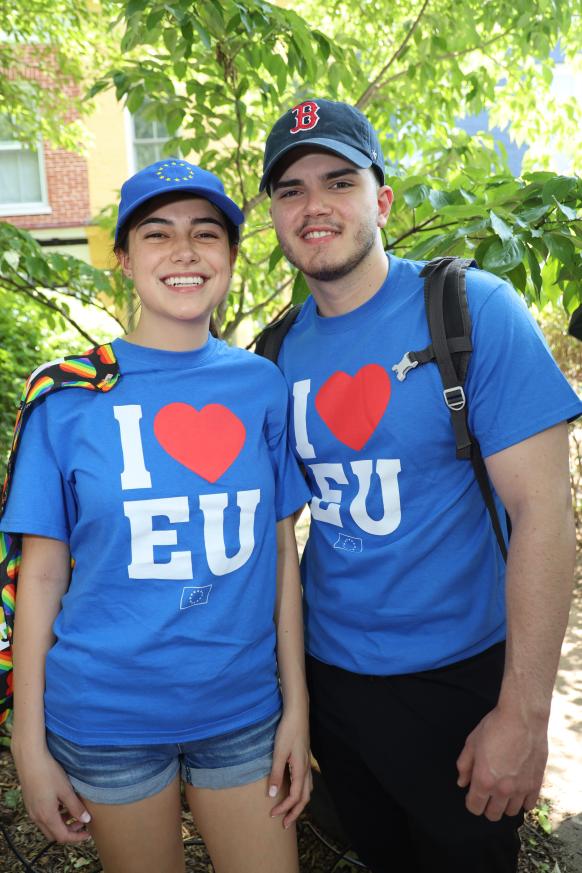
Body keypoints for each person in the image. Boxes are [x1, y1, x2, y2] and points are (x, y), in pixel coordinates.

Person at [259, 99, 581, 873]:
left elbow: (544, 513)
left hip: (459, 683)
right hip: (334, 689)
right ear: (272, 213)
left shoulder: (470, 311)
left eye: (339, 181)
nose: (315, 206)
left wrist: (524, 713)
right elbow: (269, 543)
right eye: (291, 189)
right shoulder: (272, 356)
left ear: (383, 198)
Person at [2, 159, 312, 873]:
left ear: (231, 257)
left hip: (241, 709)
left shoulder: (261, 386)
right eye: (157, 233)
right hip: (107, 717)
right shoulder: (68, 395)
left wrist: (296, 709)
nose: (184, 252)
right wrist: (28, 744)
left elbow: (280, 559)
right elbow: (41, 580)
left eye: (207, 234)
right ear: (123, 258)